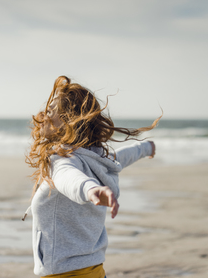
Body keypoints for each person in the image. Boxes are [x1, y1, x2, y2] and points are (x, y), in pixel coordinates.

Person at [24, 76, 160, 278]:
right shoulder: (95, 158)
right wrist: (144, 148)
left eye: (51, 111)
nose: (43, 115)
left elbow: (69, 178)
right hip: (95, 271)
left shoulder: (62, 160)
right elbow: (119, 158)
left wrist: (90, 189)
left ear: (68, 122)